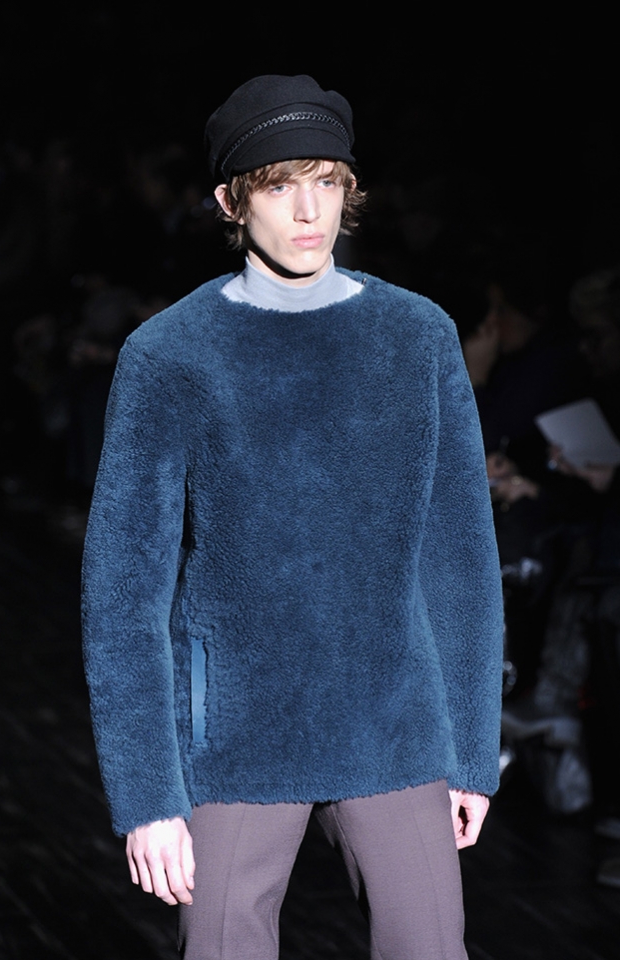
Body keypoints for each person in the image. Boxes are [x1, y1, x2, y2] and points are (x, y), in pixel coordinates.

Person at [82, 75, 503, 960]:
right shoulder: (170, 355)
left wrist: (471, 750)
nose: (308, 210)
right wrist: (148, 795)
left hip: (393, 722)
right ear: (229, 202)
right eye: (278, 185)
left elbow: (459, 557)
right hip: (237, 735)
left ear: (350, 189)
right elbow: (123, 591)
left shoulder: (416, 336)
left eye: (326, 181)